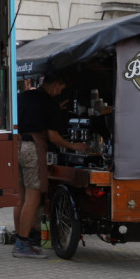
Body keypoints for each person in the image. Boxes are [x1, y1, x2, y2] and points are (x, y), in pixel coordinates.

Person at [15, 73, 88, 258]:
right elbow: (53, 137)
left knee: (20, 197)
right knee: (33, 195)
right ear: (56, 84)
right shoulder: (47, 102)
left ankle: (19, 239)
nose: (60, 93)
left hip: (15, 146)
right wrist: (74, 146)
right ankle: (23, 245)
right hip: (32, 147)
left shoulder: (22, 96)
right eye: (61, 89)